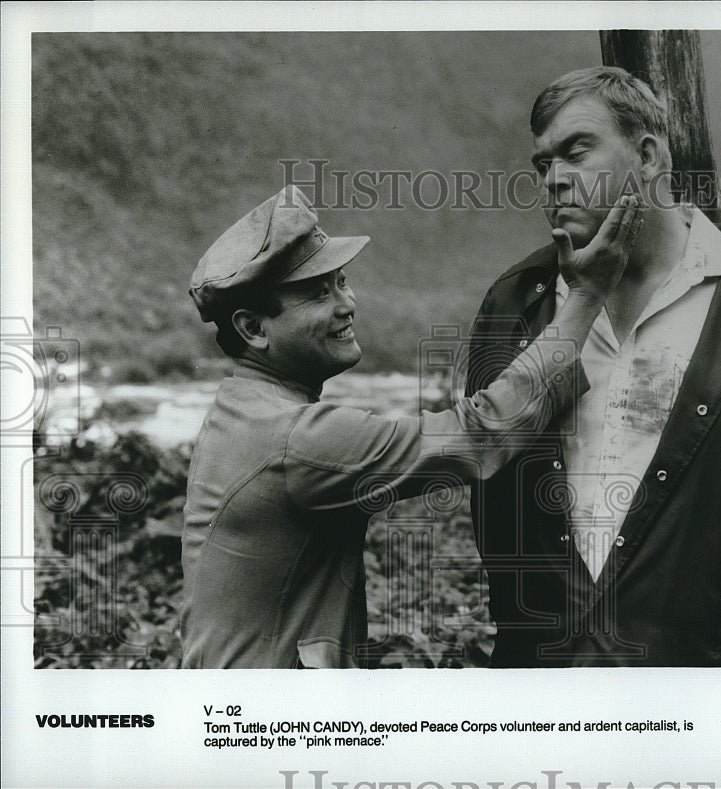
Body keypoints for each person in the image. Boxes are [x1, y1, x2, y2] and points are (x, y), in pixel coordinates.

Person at [465, 66, 721, 667]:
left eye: (576, 151)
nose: (553, 180)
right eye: (542, 164)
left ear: (649, 155)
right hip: (551, 674)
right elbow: (488, 483)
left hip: (718, 679)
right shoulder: (515, 303)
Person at [181, 183, 641, 668]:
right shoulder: (294, 438)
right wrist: (586, 297)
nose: (347, 303)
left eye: (341, 280)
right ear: (254, 329)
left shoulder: (245, 410)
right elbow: (478, 433)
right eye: (319, 293)